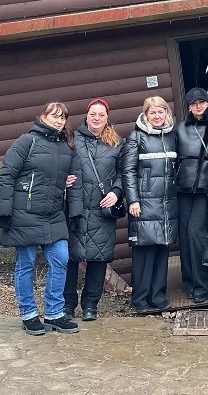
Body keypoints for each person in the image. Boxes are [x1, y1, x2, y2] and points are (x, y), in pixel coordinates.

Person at [0, 102, 80, 336]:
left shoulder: (66, 147)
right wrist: (5, 212)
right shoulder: (26, 141)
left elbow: (69, 178)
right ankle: (29, 315)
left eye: (63, 117)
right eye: (54, 116)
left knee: (61, 259)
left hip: (54, 214)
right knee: (26, 264)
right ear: (43, 117)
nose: (59, 121)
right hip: (25, 213)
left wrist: (70, 199)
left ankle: (54, 313)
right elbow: (7, 175)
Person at [65, 98, 123, 322]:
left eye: (101, 115)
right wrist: (63, 180)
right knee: (70, 258)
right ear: (86, 116)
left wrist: (117, 192)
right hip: (75, 206)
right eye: (93, 114)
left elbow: (123, 173)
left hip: (101, 208)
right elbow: (59, 164)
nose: (97, 118)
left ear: (107, 118)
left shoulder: (116, 142)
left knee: (98, 259)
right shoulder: (72, 138)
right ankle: (68, 304)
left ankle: (90, 304)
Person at [123, 95, 178, 313]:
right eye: (152, 112)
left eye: (160, 112)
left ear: (166, 113)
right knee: (144, 252)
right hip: (144, 203)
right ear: (145, 115)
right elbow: (128, 170)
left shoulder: (171, 136)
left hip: (166, 203)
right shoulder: (136, 137)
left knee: (162, 251)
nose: (157, 116)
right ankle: (140, 298)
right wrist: (133, 200)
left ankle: (158, 296)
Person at [174, 87, 208, 303]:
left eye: (202, 102)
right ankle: (190, 283)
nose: (198, 106)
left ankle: (203, 283)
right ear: (188, 106)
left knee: (196, 233)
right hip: (184, 188)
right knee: (184, 236)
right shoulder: (179, 129)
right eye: (194, 103)